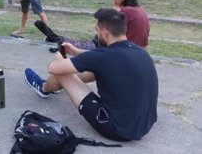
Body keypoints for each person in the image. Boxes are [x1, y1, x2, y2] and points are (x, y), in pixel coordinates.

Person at [24, 8, 158, 141]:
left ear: (105, 33)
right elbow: (99, 59)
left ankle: (43, 88)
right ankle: (55, 86)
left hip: (116, 128)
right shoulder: (139, 52)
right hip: (145, 126)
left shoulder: (103, 56)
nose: (96, 34)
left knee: (62, 73)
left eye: (97, 30)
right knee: (96, 71)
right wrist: (77, 52)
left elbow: (53, 68)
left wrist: (60, 56)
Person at [38, 0, 150, 51]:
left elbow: (105, 31)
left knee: (94, 42)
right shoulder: (138, 9)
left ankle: (59, 40)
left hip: (127, 50)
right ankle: (59, 40)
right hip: (137, 49)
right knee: (90, 43)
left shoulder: (126, 12)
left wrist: (115, 11)